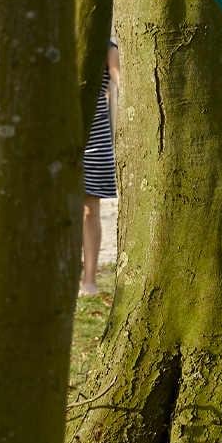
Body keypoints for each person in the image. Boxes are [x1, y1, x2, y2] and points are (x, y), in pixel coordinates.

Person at [80, 39, 119, 297]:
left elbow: (119, 83)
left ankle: (90, 280)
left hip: (95, 136)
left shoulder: (107, 47)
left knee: (89, 208)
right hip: (54, 130)